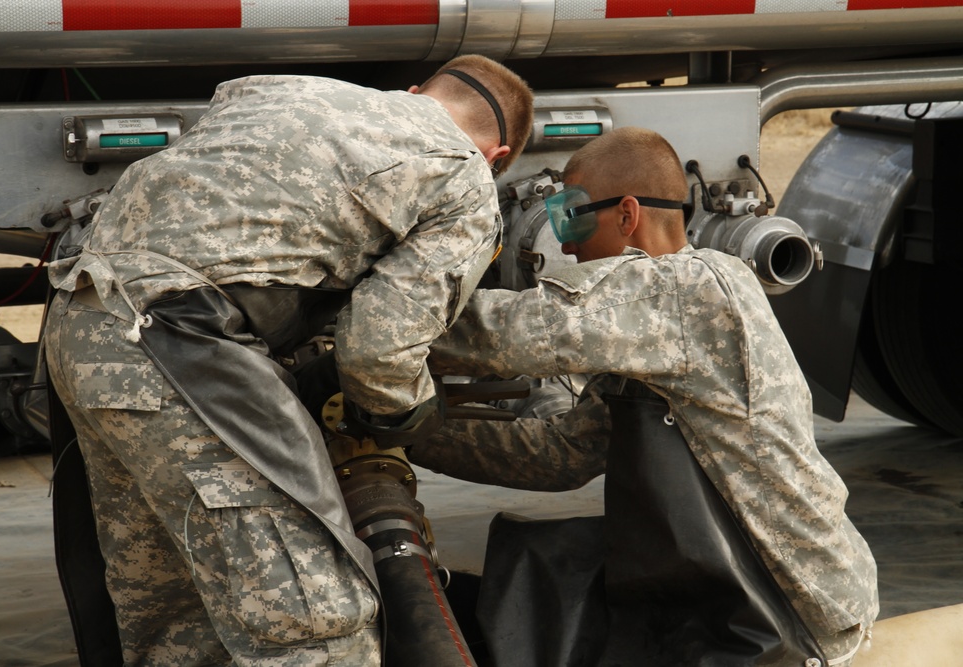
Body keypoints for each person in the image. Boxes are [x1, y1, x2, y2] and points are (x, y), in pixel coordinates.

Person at [43, 55, 534, 666]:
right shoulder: (464, 176)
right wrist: (405, 415)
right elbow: (380, 350)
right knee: (316, 619)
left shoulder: (278, 89)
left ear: (415, 92)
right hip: (178, 345)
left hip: (79, 325)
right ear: (498, 156)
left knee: (176, 619)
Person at [409, 126, 880, 664]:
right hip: (746, 590)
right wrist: (408, 432)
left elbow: (504, 334)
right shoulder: (659, 335)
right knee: (531, 582)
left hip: (786, 610)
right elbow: (558, 455)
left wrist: (369, 326)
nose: (564, 242)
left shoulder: (685, 289)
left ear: (628, 215)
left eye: (571, 215)